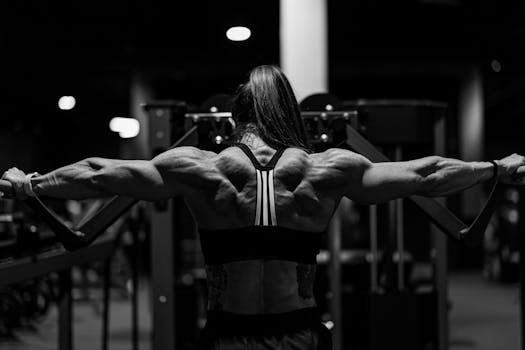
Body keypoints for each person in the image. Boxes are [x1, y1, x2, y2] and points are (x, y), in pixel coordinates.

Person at [2, 65, 525, 350]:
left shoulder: (198, 167)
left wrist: (33, 185)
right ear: (289, 113)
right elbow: (426, 173)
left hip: (228, 337)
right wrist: (494, 169)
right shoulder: (327, 169)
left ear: (235, 117)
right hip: (299, 334)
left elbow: (98, 172)